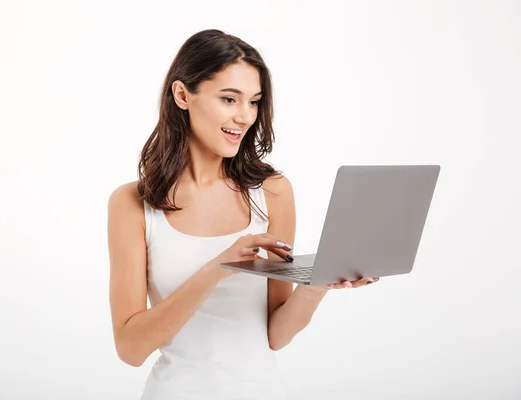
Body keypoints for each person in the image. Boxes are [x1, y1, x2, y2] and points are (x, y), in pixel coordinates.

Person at [107, 29, 379, 400]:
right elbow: (130, 348)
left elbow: (275, 335)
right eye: (229, 99)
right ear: (182, 95)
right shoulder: (132, 204)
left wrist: (316, 285)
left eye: (254, 101)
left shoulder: (272, 192)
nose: (244, 116)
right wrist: (217, 267)